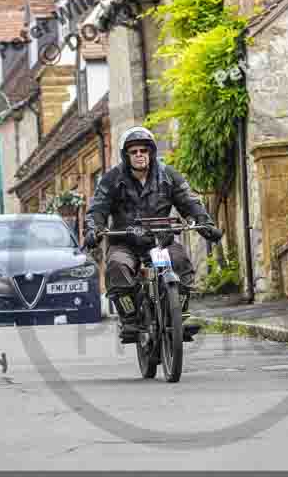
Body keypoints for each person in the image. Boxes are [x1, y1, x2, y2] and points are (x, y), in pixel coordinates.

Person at [84, 126, 223, 342]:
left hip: (161, 241)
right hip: (125, 242)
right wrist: (93, 229)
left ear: (151, 152)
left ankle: (181, 315)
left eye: (143, 150)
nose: (139, 155)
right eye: (134, 152)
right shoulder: (111, 179)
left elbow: (190, 202)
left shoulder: (168, 175)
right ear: (126, 155)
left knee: (180, 261)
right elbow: (97, 209)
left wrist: (204, 222)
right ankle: (130, 320)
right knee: (117, 266)